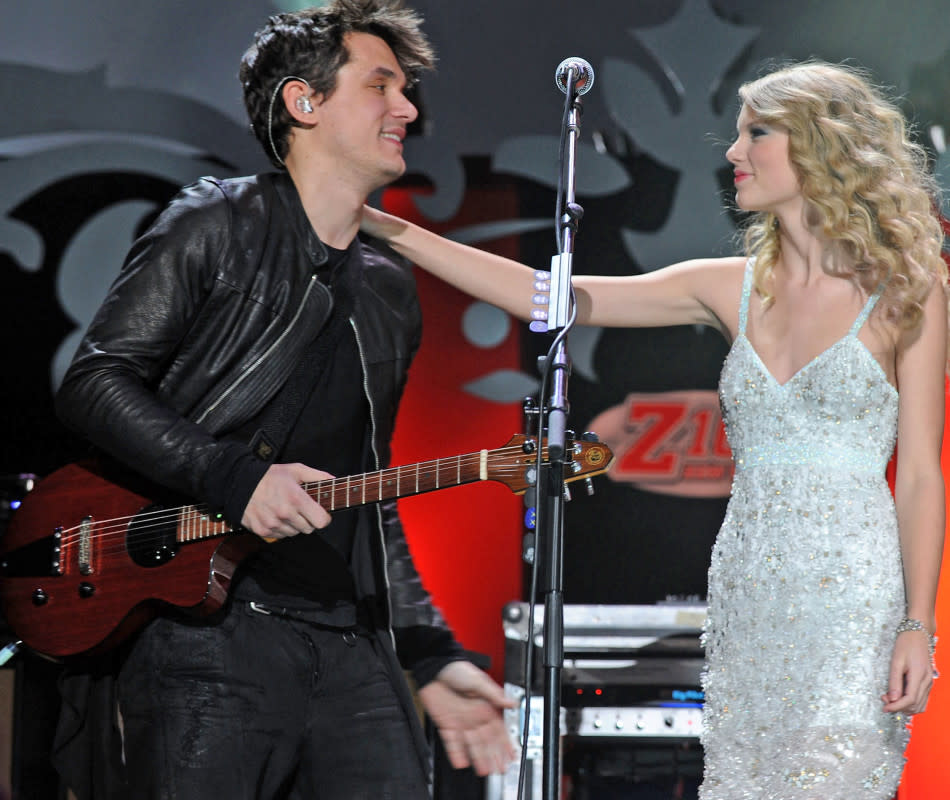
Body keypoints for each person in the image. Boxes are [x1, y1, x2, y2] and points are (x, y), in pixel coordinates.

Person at [360, 61, 947, 798]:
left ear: (819, 145)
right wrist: (391, 228)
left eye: (755, 133)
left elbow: (922, 473)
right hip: (749, 597)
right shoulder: (724, 289)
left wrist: (918, 628)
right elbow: (552, 297)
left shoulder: (908, 292)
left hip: (854, 601)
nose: (732, 152)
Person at [50, 2, 515, 798]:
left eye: (405, 91)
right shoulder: (215, 224)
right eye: (381, 86)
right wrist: (235, 478)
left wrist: (429, 650)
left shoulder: (389, 289)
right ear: (305, 103)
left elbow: (372, 491)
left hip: (346, 643)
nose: (407, 109)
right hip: (206, 637)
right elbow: (94, 382)